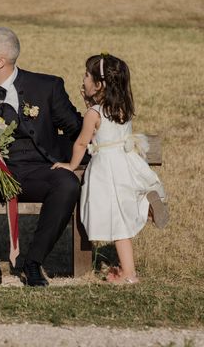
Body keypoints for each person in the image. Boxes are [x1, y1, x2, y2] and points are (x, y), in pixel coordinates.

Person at [0, 27, 83, 287]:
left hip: (38, 170)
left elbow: (78, 129)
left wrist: (70, 161)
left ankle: (33, 263)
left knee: (68, 183)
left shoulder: (47, 86)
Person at [52, 53, 168, 284]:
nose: (83, 78)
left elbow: (82, 143)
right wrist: (91, 102)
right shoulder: (122, 108)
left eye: (87, 75)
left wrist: (71, 165)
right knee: (123, 212)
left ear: (99, 84)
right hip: (126, 161)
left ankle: (128, 274)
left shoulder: (93, 114)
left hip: (106, 169)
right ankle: (145, 206)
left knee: (116, 220)